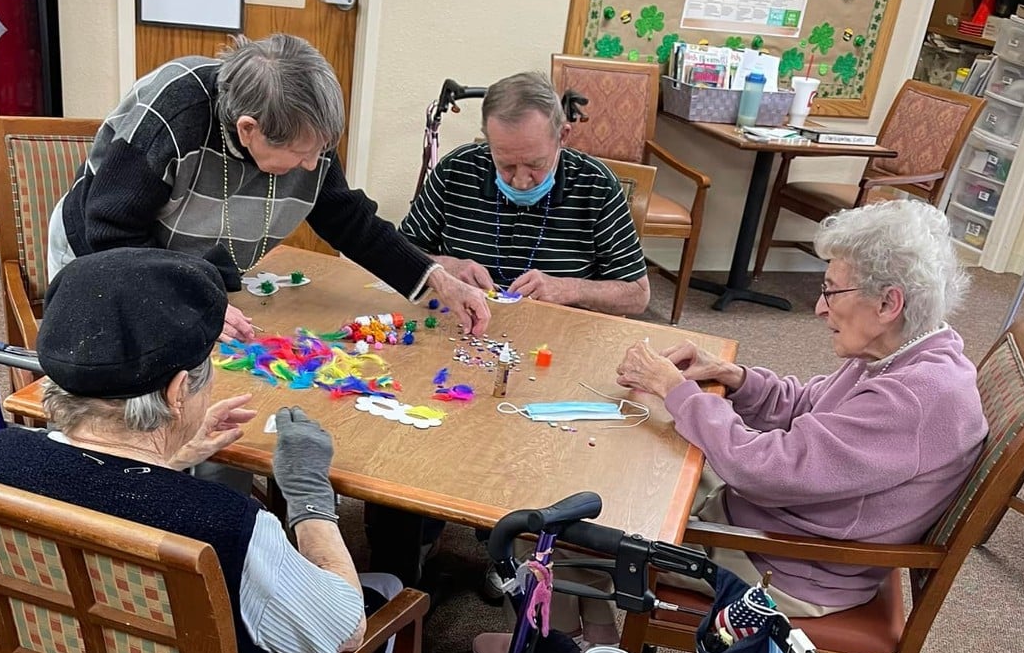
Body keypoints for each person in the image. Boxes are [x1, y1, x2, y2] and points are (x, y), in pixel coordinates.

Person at [0, 248, 400, 653]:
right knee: (389, 590)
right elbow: (345, 630)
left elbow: (99, 493)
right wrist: (310, 498)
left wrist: (173, 457)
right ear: (176, 393)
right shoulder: (225, 525)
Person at [614, 199, 987, 615]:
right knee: (636, 466)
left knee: (584, 529)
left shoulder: (910, 400)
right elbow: (809, 405)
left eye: (831, 290)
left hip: (782, 564)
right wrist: (731, 375)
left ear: (888, 304)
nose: (819, 307)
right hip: (773, 526)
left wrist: (674, 390)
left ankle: (588, 652)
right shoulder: (913, 351)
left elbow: (764, 470)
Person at [46, 32, 489, 341]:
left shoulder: (300, 131)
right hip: (101, 257)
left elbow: (346, 218)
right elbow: (111, 233)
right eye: (301, 155)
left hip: (189, 261)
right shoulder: (173, 114)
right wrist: (186, 302)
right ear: (248, 129)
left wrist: (434, 277)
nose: (314, 164)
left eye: (321, 151)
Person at [400, 71, 649, 316]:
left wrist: (569, 289)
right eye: (506, 165)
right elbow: (399, 251)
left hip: (558, 334)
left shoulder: (597, 186)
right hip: (461, 323)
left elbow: (637, 295)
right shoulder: (455, 169)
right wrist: (447, 267)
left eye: (536, 164)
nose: (520, 181)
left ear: (562, 136)